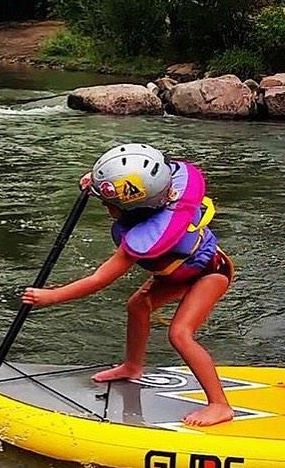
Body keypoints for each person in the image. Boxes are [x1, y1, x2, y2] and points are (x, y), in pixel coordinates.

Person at [21, 144, 235, 427]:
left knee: (180, 333)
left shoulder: (142, 240)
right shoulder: (162, 194)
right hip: (178, 273)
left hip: (210, 273)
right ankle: (133, 366)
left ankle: (220, 405)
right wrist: (95, 180)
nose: (105, 206)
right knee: (137, 306)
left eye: (109, 203)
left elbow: (99, 279)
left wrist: (51, 297)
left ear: (134, 208)